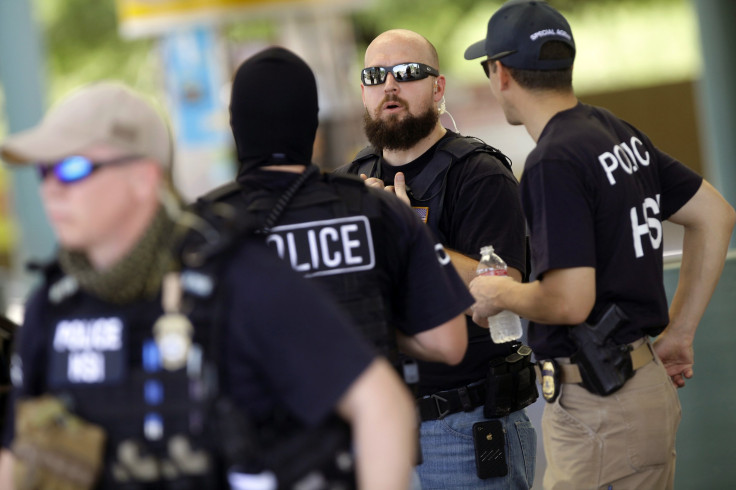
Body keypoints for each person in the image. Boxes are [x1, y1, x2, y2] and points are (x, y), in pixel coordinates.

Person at [0, 81, 418, 490]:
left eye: (72, 168)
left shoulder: (238, 280)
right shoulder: (52, 307)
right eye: (43, 170)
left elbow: (382, 407)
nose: (50, 188)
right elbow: (15, 459)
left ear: (143, 178)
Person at [464, 1, 736, 488]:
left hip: (599, 410)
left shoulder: (553, 160)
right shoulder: (613, 130)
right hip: (637, 388)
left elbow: (570, 300)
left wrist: (497, 293)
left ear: (500, 72)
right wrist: (681, 332)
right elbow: (716, 215)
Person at [336, 29, 538, 489]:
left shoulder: (479, 174)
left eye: (407, 73)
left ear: (438, 88)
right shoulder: (349, 180)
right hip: (377, 429)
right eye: (374, 75)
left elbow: (502, 297)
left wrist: (409, 230)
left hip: (463, 429)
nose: (390, 86)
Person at [201, 46, 470, 382]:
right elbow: (449, 344)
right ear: (313, 124)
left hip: (255, 429)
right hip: (368, 426)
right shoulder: (376, 207)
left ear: (234, 123)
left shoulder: (203, 228)